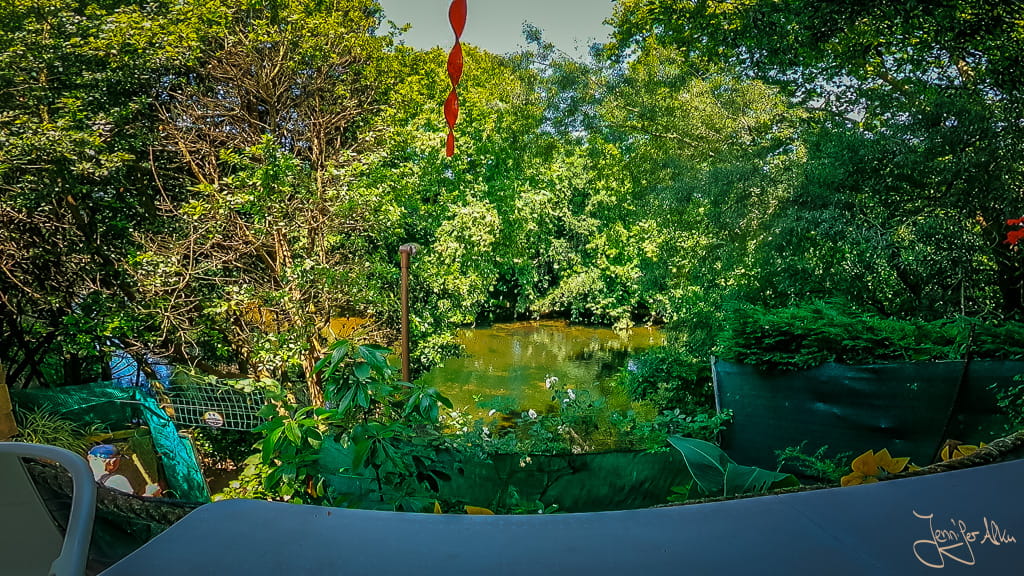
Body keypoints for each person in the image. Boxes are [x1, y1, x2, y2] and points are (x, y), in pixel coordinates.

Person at [87, 444, 162, 497]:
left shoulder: (82, 480)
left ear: (89, 458)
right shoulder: (116, 481)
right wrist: (150, 494)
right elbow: (135, 507)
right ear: (113, 462)